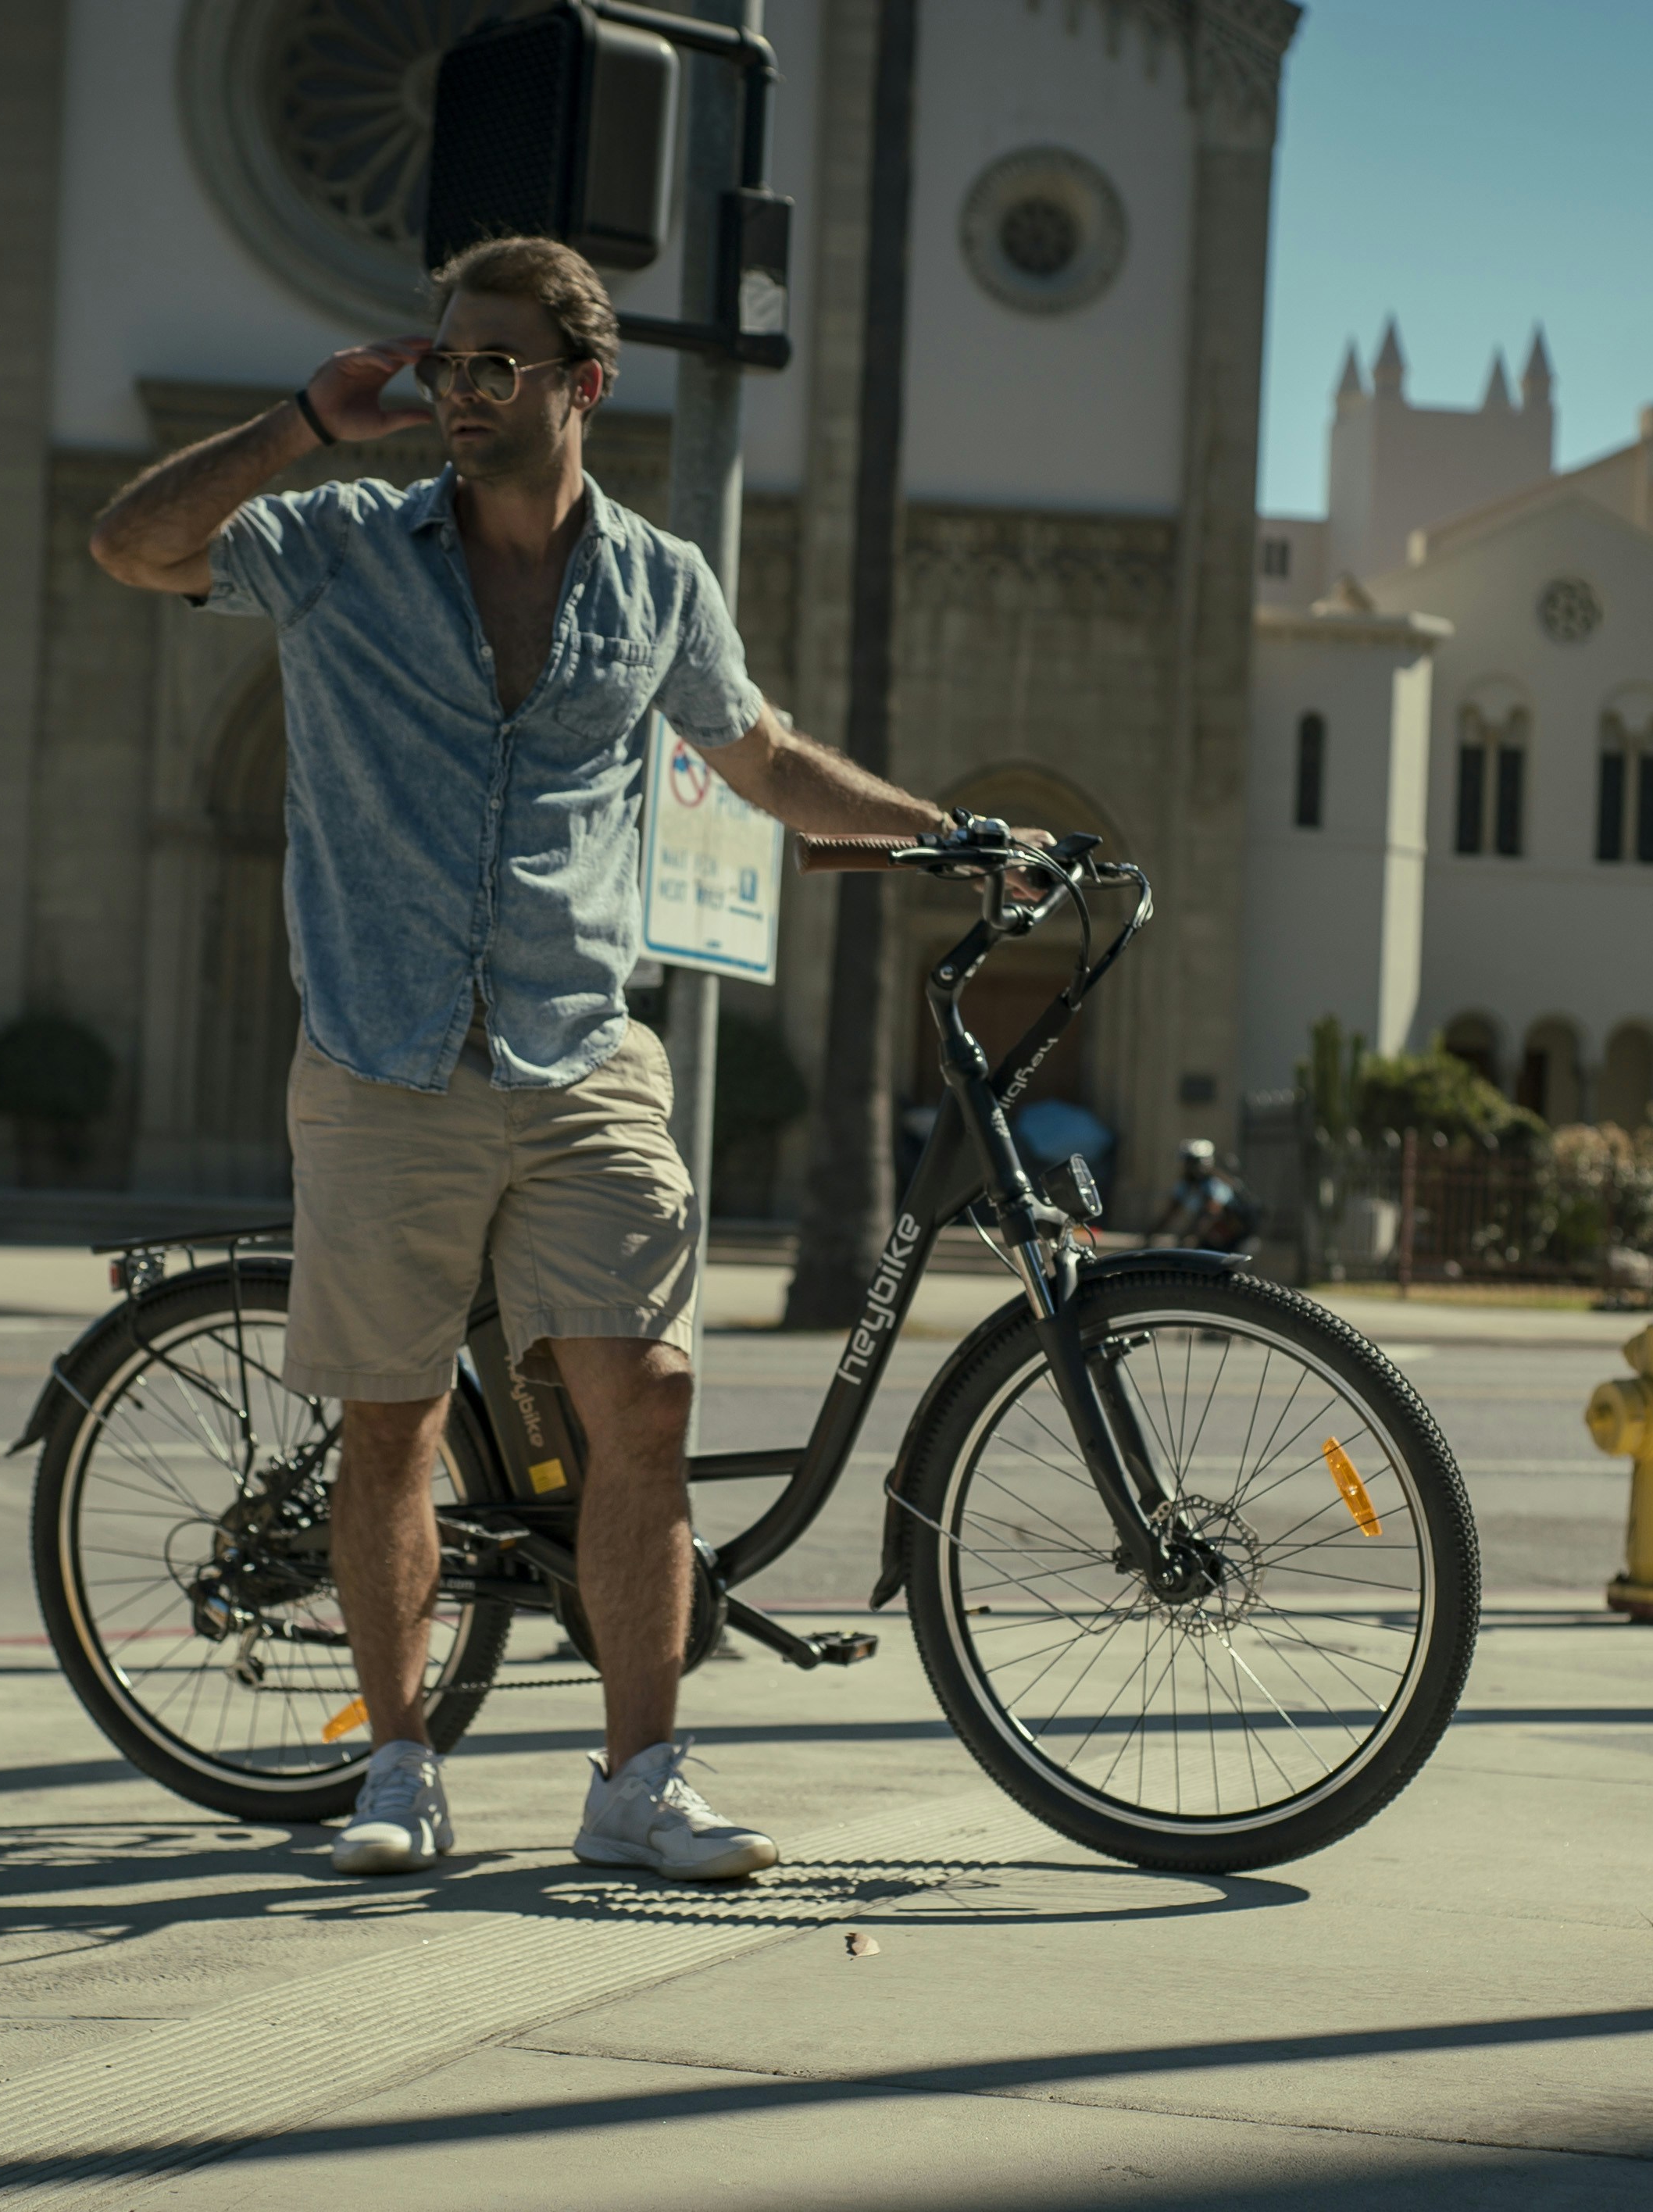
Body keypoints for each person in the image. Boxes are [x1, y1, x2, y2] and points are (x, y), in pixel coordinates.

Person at [87, 236, 983, 1882]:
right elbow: (135, 547)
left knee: (644, 1402)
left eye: (495, 363)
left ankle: (637, 1780)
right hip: (382, 1054)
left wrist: (949, 837)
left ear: (585, 383)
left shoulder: (658, 582)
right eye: (446, 360)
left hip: (581, 1054)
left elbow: (763, 757)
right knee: (391, 1426)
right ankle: (399, 1766)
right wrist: (303, 419)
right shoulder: (341, 541)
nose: (458, 390)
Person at [1153, 1138, 1259, 1254]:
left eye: (1190, 1163)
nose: (1187, 1167)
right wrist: (1150, 1235)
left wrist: (1191, 1237)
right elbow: (1171, 1212)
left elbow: (1210, 1214)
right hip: (1213, 1237)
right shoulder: (1187, 1184)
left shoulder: (1215, 1184)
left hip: (1234, 1238)